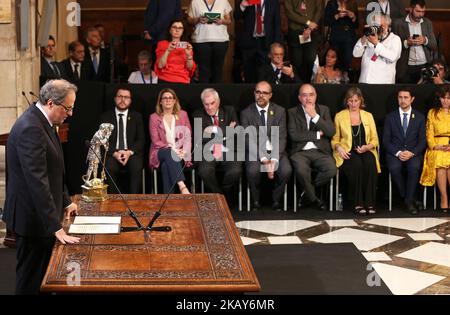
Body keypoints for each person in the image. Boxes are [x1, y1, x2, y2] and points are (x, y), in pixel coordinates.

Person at [2, 79, 81, 294]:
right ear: (50, 103)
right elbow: (36, 180)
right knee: (30, 281)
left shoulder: (44, 122)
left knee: (42, 279)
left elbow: (53, 170)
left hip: (41, 217)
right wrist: (54, 226)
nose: (70, 113)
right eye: (68, 108)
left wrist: (65, 201)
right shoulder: (31, 128)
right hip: (32, 220)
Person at [240, 81, 292, 211]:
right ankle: (256, 200)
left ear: (270, 95)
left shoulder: (279, 111)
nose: (261, 95)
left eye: (264, 93)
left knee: (286, 170)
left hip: (276, 150)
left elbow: (281, 136)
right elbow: (248, 139)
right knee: (253, 170)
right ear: (254, 94)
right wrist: (264, 159)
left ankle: (276, 199)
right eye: (258, 92)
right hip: (256, 151)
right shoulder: (246, 113)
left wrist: (273, 160)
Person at [331, 87, 380, 214]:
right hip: (347, 151)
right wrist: (339, 148)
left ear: (361, 101)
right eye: (350, 100)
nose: (353, 104)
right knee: (356, 164)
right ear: (346, 101)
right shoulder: (339, 116)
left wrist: (367, 147)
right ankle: (357, 203)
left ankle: (369, 203)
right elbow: (334, 139)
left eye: (356, 100)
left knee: (370, 162)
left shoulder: (368, 116)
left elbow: (375, 140)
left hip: (365, 149)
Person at [288, 84, 337, 211]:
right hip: (300, 152)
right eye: (304, 95)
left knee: (331, 169)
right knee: (301, 170)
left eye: (311, 95)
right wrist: (317, 134)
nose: (308, 98)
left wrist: (315, 116)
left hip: (320, 151)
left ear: (315, 96)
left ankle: (308, 192)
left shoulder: (324, 110)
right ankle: (315, 199)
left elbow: (331, 132)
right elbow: (294, 136)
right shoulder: (292, 112)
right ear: (299, 98)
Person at [193, 88, 242, 205]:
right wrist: (226, 131)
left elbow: (237, 132)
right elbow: (200, 137)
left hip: (228, 150)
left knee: (235, 170)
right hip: (208, 151)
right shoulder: (197, 114)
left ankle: (223, 193)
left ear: (218, 102)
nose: (209, 107)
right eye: (206, 104)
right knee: (204, 171)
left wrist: (212, 130)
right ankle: (219, 196)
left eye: (212, 103)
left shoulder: (230, 111)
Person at [383, 88, 426, 214]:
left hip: (413, 153)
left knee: (414, 168)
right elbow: (386, 141)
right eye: (400, 97)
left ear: (412, 99)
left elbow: (422, 141)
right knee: (394, 168)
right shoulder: (390, 117)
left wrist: (412, 153)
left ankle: (407, 199)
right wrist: (398, 153)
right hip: (395, 153)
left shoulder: (419, 117)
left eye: (406, 97)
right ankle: (409, 199)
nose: (403, 100)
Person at [100, 87, 145, 194]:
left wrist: (128, 152)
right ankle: (116, 201)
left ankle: (133, 200)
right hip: (112, 153)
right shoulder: (106, 116)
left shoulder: (136, 117)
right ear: (115, 99)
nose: (123, 100)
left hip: (130, 153)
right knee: (109, 167)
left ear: (130, 100)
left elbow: (141, 140)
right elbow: (102, 139)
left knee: (137, 166)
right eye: (120, 96)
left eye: (126, 97)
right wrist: (114, 153)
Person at [149, 89, 192, 194]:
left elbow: (187, 136)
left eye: (170, 98)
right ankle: (182, 186)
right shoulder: (154, 118)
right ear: (160, 102)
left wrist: (184, 151)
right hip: (160, 152)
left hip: (180, 154)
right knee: (169, 153)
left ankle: (168, 200)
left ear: (174, 101)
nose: (168, 100)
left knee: (165, 166)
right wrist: (173, 150)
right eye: (165, 98)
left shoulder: (183, 115)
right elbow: (155, 141)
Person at [234, 0, 283, 83]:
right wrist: (242, 6)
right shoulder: (247, 0)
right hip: (249, 43)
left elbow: (277, 23)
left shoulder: (273, 2)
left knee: (265, 74)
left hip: (266, 43)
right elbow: (236, 17)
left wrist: (276, 44)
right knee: (249, 74)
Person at [420, 86, 450, 213]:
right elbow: (429, 133)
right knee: (439, 159)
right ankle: (444, 198)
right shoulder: (432, 112)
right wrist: (435, 145)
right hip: (437, 146)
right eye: (443, 98)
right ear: (439, 99)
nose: (445, 101)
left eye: (448, 98)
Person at [392, 0, 438, 83]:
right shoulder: (398, 23)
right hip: (405, 68)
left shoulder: (427, 23)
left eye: (423, 11)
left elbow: (434, 45)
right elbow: (392, 47)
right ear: (410, 9)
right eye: (418, 11)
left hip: (424, 66)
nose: (421, 14)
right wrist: (406, 43)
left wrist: (425, 40)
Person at [187, 0, 232, 83]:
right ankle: (203, 94)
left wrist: (222, 21)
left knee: (218, 70)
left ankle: (216, 94)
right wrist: (198, 20)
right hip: (201, 40)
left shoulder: (223, 1)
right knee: (203, 71)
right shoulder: (195, 2)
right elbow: (189, 20)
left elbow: (229, 20)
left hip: (220, 40)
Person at [353, 13, 402, 84]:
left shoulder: (394, 39)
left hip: (382, 83)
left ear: (387, 26)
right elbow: (356, 54)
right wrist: (364, 36)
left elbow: (393, 57)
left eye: (380, 26)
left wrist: (376, 43)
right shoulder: (369, 37)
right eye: (374, 25)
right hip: (364, 81)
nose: (377, 28)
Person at [284, 0, 324, 83]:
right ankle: (297, 83)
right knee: (297, 61)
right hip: (295, 32)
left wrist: (309, 28)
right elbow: (290, 13)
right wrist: (307, 23)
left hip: (312, 32)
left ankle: (308, 84)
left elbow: (319, 10)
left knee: (310, 59)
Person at [154, 20, 196, 84]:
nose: (177, 30)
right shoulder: (162, 44)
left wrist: (189, 55)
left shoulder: (187, 45)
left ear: (183, 31)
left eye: (180, 28)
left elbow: (190, 68)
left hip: (182, 79)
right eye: (174, 27)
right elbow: (160, 65)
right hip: (165, 78)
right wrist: (168, 51)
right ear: (170, 30)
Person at [324, 0, 359, 72]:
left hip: (348, 39)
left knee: (346, 62)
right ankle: (335, 81)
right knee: (335, 62)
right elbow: (326, 22)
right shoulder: (331, 3)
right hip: (335, 38)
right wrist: (337, 16)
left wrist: (353, 17)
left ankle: (345, 80)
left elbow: (356, 25)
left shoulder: (353, 3)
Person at [144, 0, 182, 64]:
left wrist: (151, 32)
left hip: (161, 37)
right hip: (160, 36)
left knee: (160, 69)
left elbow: (165, 17)